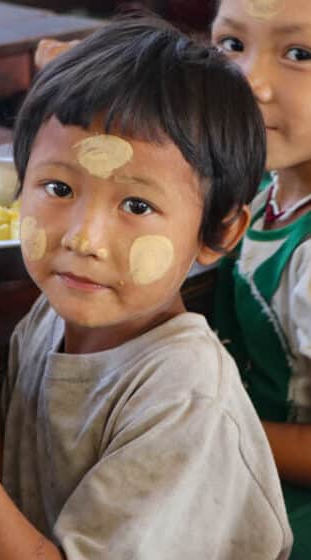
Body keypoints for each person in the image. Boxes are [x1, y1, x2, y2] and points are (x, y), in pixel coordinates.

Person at [0, 15, 292, 559]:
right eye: (58, 187)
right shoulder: (62, 311)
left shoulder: (182, 400)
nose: (84, 238)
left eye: (137, 205)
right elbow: (6, 493)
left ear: (218, 232)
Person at [211, 0, 311, 557]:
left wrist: (206, 426)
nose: (251, 85)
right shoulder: (271, 183)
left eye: (300, 54)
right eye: (232, 45)